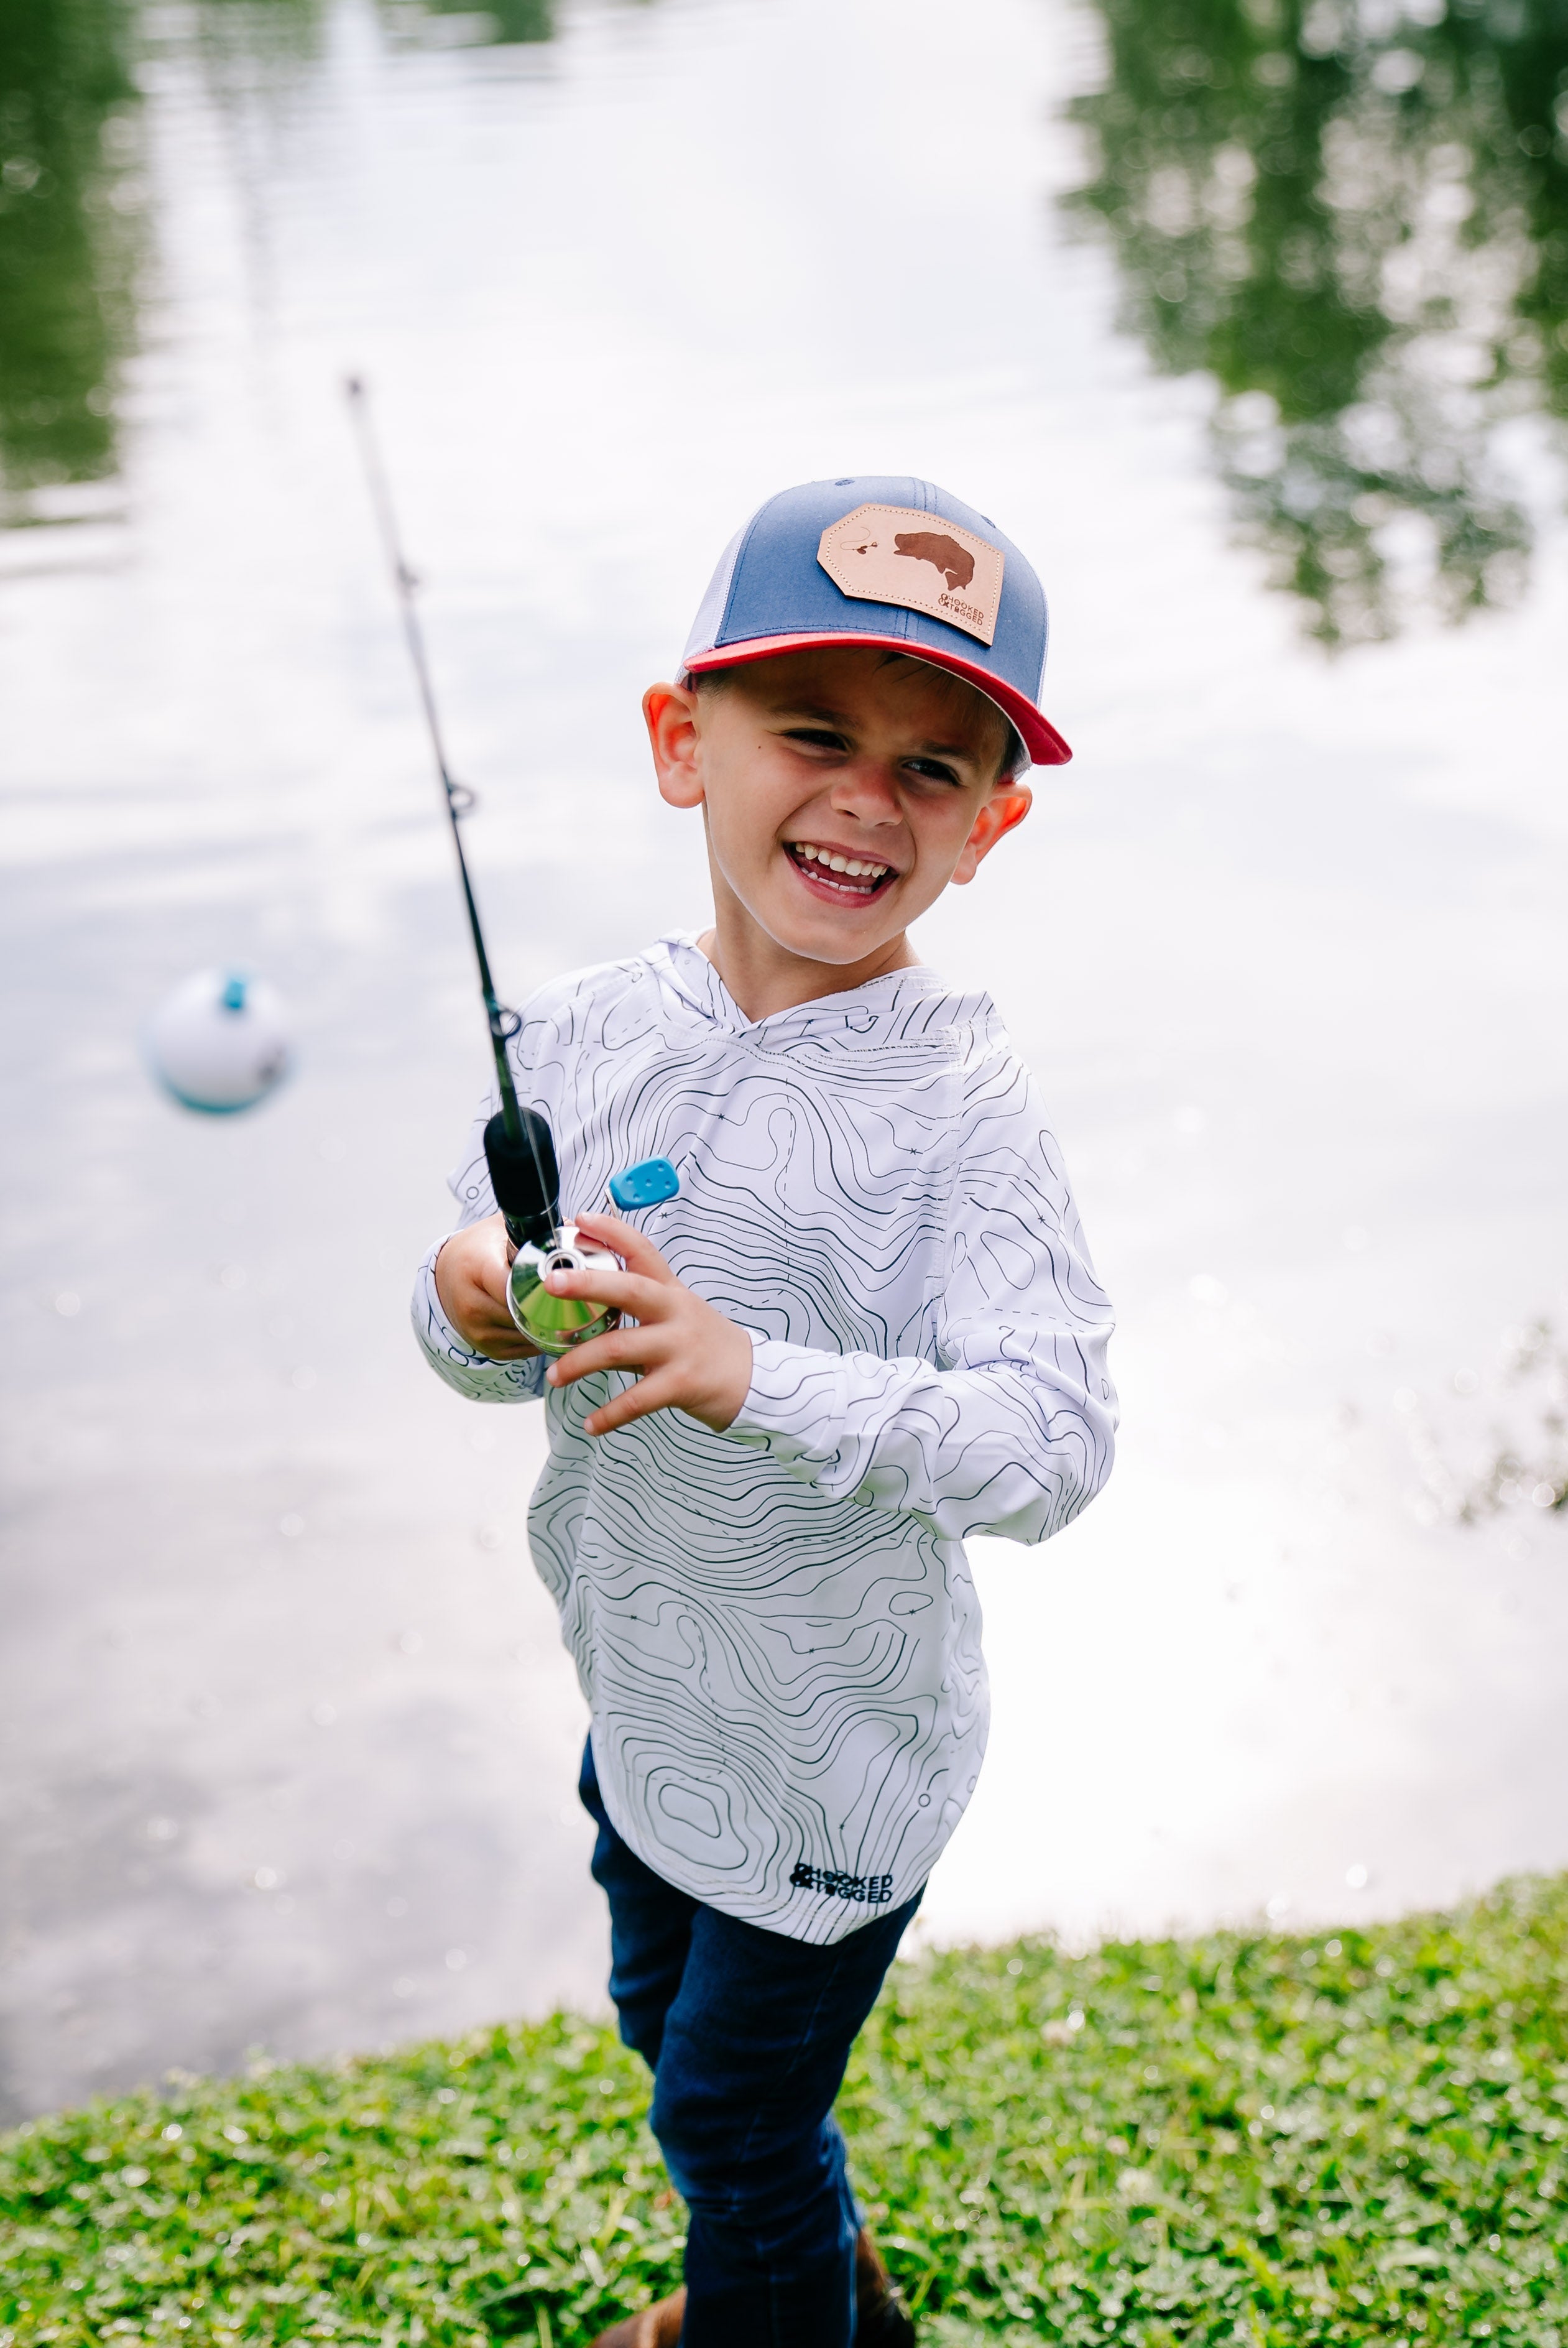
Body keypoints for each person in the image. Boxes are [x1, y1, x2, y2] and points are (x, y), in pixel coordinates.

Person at [412, 477, 1117, 2346]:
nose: (866, 799)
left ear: (990, 822)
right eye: (813, 734)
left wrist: (753, 1374)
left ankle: (769, 2310)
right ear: (682, 745)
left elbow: (1054, 1441)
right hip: (646, 1691)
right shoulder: (572, 1038)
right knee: (672, 2032)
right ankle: (831, 2286)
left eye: (931, 766)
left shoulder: (964, 1110)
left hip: (833, 1754)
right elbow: (488, 1348)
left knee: (726, 2119)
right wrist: (467, 1294)